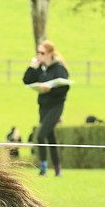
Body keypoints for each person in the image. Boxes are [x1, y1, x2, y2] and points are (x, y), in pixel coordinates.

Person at [23, 40, 71, 176]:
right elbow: (26, 80)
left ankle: (43, 167)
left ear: (50, 53)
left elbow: (65, 87)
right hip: (43, 106)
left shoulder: (58, 68)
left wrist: (49, 89)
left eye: (42, 53)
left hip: (56, 106)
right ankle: (57, 168)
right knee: (51, 138)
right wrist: (32, 67)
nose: (39, 55)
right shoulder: (39, 68)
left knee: (41, 135)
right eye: (38, 52)